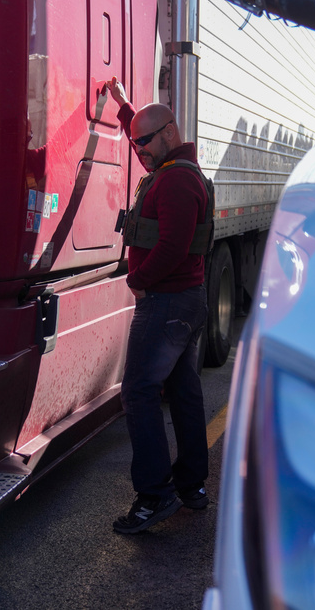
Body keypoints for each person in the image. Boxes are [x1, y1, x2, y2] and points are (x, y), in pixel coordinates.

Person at [105, 77, 213, 535]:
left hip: (166, 303)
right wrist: (127, 110)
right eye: (136, 143)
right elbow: (147, 134)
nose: (139, 151)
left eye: (144, 142)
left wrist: (138, 281)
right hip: (185, 302)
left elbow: (172, 247)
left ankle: (154, 495)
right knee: (183, 391)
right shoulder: (173, 165)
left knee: (139, 392)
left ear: (170, 133)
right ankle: (192, 486)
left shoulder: (173, 183)